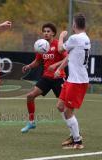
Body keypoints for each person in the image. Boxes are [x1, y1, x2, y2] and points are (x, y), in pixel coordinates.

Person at [21, 23, 68, 133]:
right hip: (46, 78)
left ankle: (73, 130)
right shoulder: (42, 45)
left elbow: (67, 59)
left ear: (53, 33)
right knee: (30, 96)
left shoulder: (58, 45)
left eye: (48, 31)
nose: (46, 33)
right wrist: (29, 66)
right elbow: (37, 62)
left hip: (59, 78)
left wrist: (55, 66)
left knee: (63, 106)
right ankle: (31, 123)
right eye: (44, 31)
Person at [55, 13, 90, 149]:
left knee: (68, 112)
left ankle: (78, 141)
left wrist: (61, 36)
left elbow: (60, 49)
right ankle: (73, 135)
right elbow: (70, 56)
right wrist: (59, 68)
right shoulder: (85, 38)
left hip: (77, 81)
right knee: (60, 106)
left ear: (74, 25)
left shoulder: (75, 38)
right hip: (73, 79)